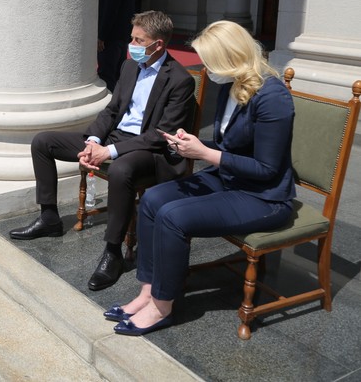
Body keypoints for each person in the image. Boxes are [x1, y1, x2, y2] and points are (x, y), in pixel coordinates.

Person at [108, 20, 295, 336]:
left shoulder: (272, 96)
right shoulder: (231, 86)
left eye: (210, 62)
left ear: (231, 57)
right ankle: (148, 289)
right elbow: (226, 146)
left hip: (265, 196)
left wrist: (206, 154)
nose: (206, 70)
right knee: (154, 198)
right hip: (230, 177)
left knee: (173, 216)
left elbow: (267, 169)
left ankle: (162, 305)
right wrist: (190, 145)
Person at [10, 11, 195, 291]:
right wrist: (94, 141)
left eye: (138, 40)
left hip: (149, 150)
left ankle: (113, 252)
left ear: (158, 45)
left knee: (121, 169)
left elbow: (160, 135)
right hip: (115, 138)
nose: (131, 44)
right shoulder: (130, 67)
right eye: (132, 37)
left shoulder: (179, 79)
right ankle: (49, 217)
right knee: (43, 141)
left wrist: (109, 152)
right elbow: (111, 110)